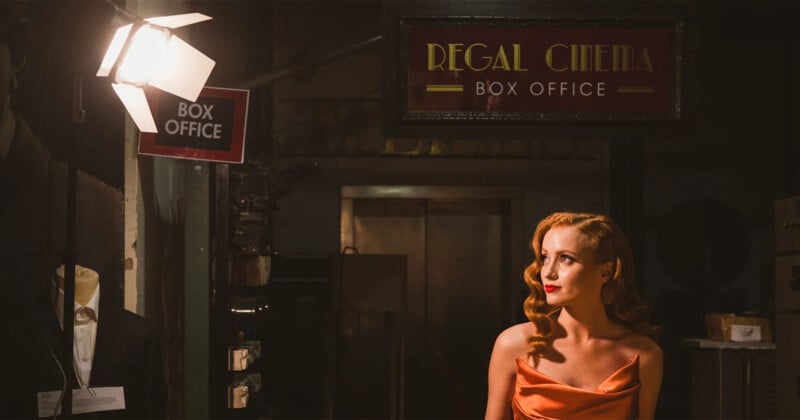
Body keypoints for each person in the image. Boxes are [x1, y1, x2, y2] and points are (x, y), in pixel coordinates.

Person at [485, 212, 663, 420]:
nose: (548, 272)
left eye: (566, 259)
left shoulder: (644, 355)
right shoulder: (513, 344)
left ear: (605, 272)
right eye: (545, 257)